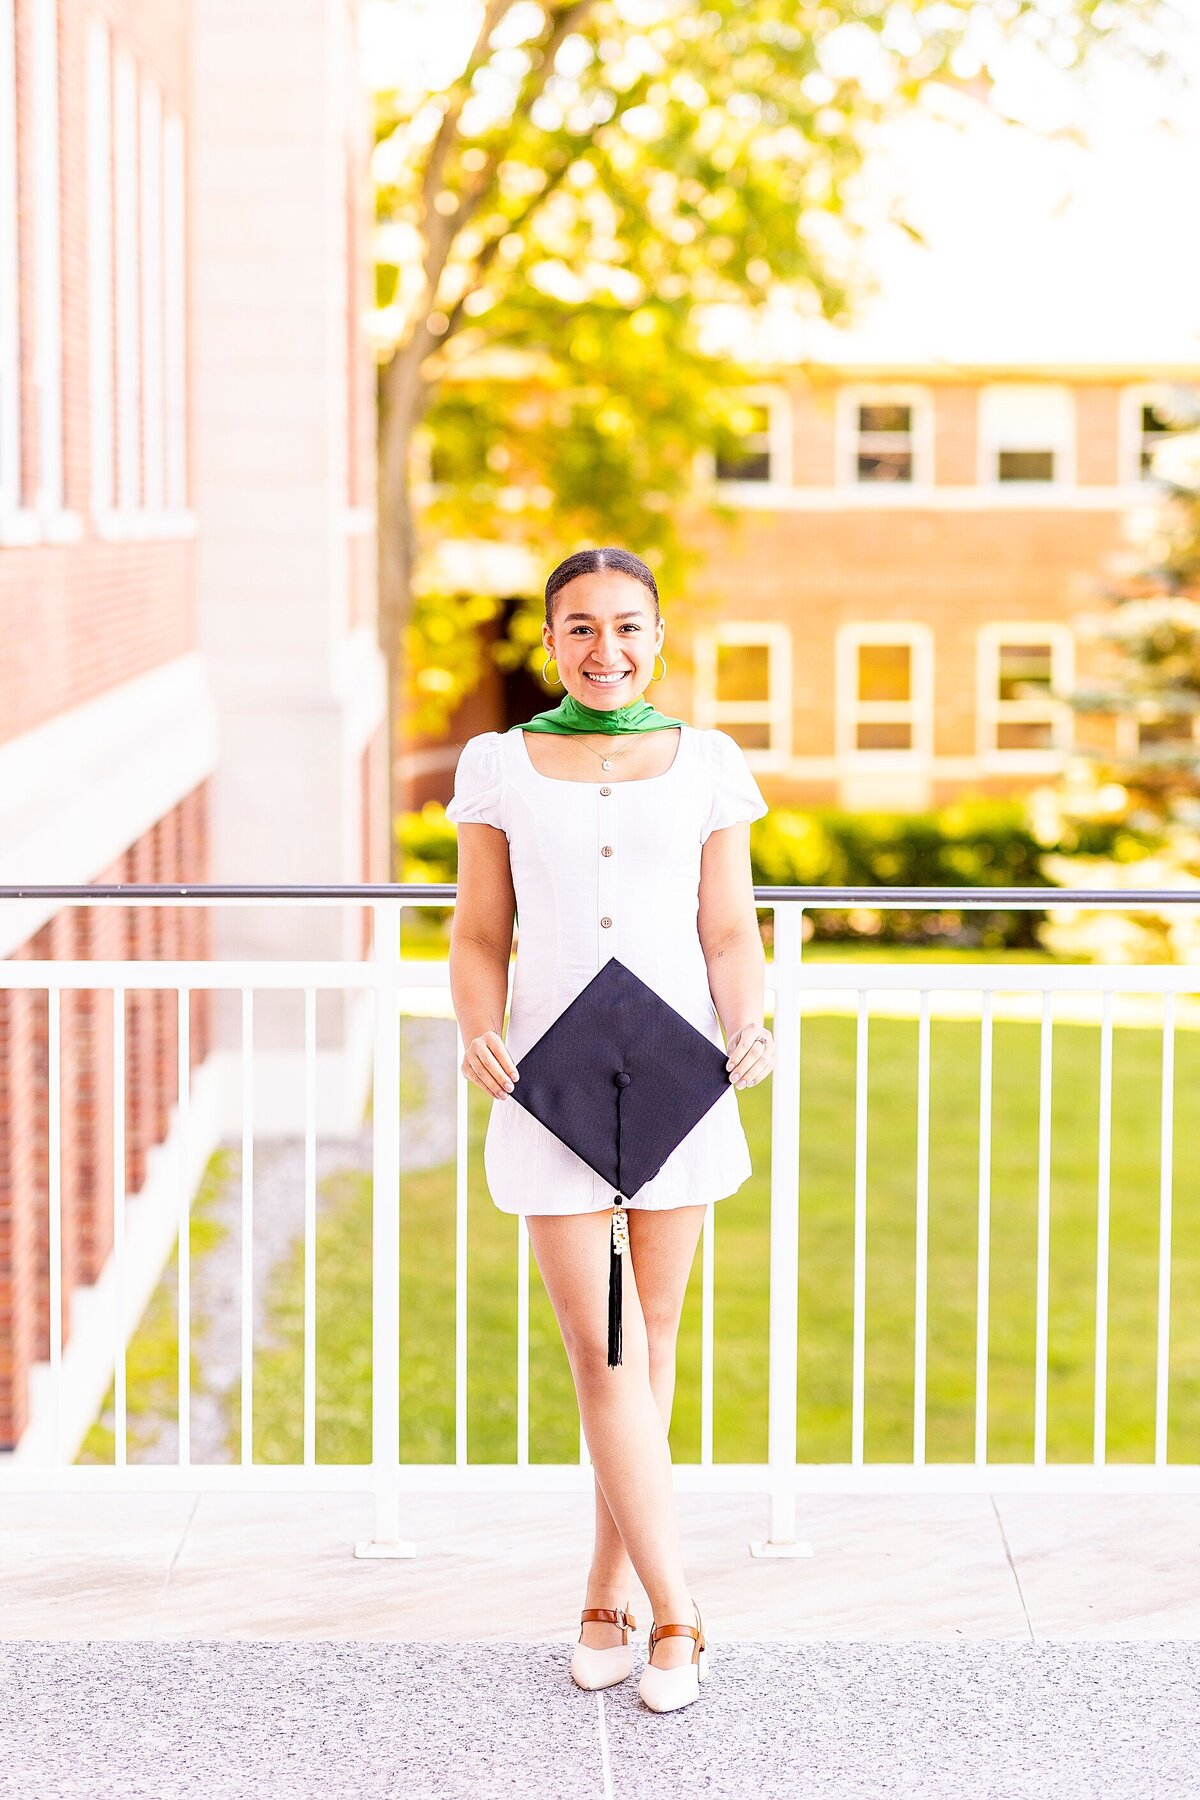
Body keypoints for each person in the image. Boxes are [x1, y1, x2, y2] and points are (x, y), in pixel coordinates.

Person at [445, 545, 774, 1713]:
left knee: (651, 1342)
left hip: (682, 1071)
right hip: (550, 1077)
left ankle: (605, 1586)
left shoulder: (710, 764)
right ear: (550, 641)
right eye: (579, 628)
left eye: (627, 626)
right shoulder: (499, 764)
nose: (606, 649)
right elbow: (480, 933)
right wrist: (478, 1027)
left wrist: (754, 1024)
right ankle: (681, 1610)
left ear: (659, 634)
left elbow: (729, 932)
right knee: (603, 1351)